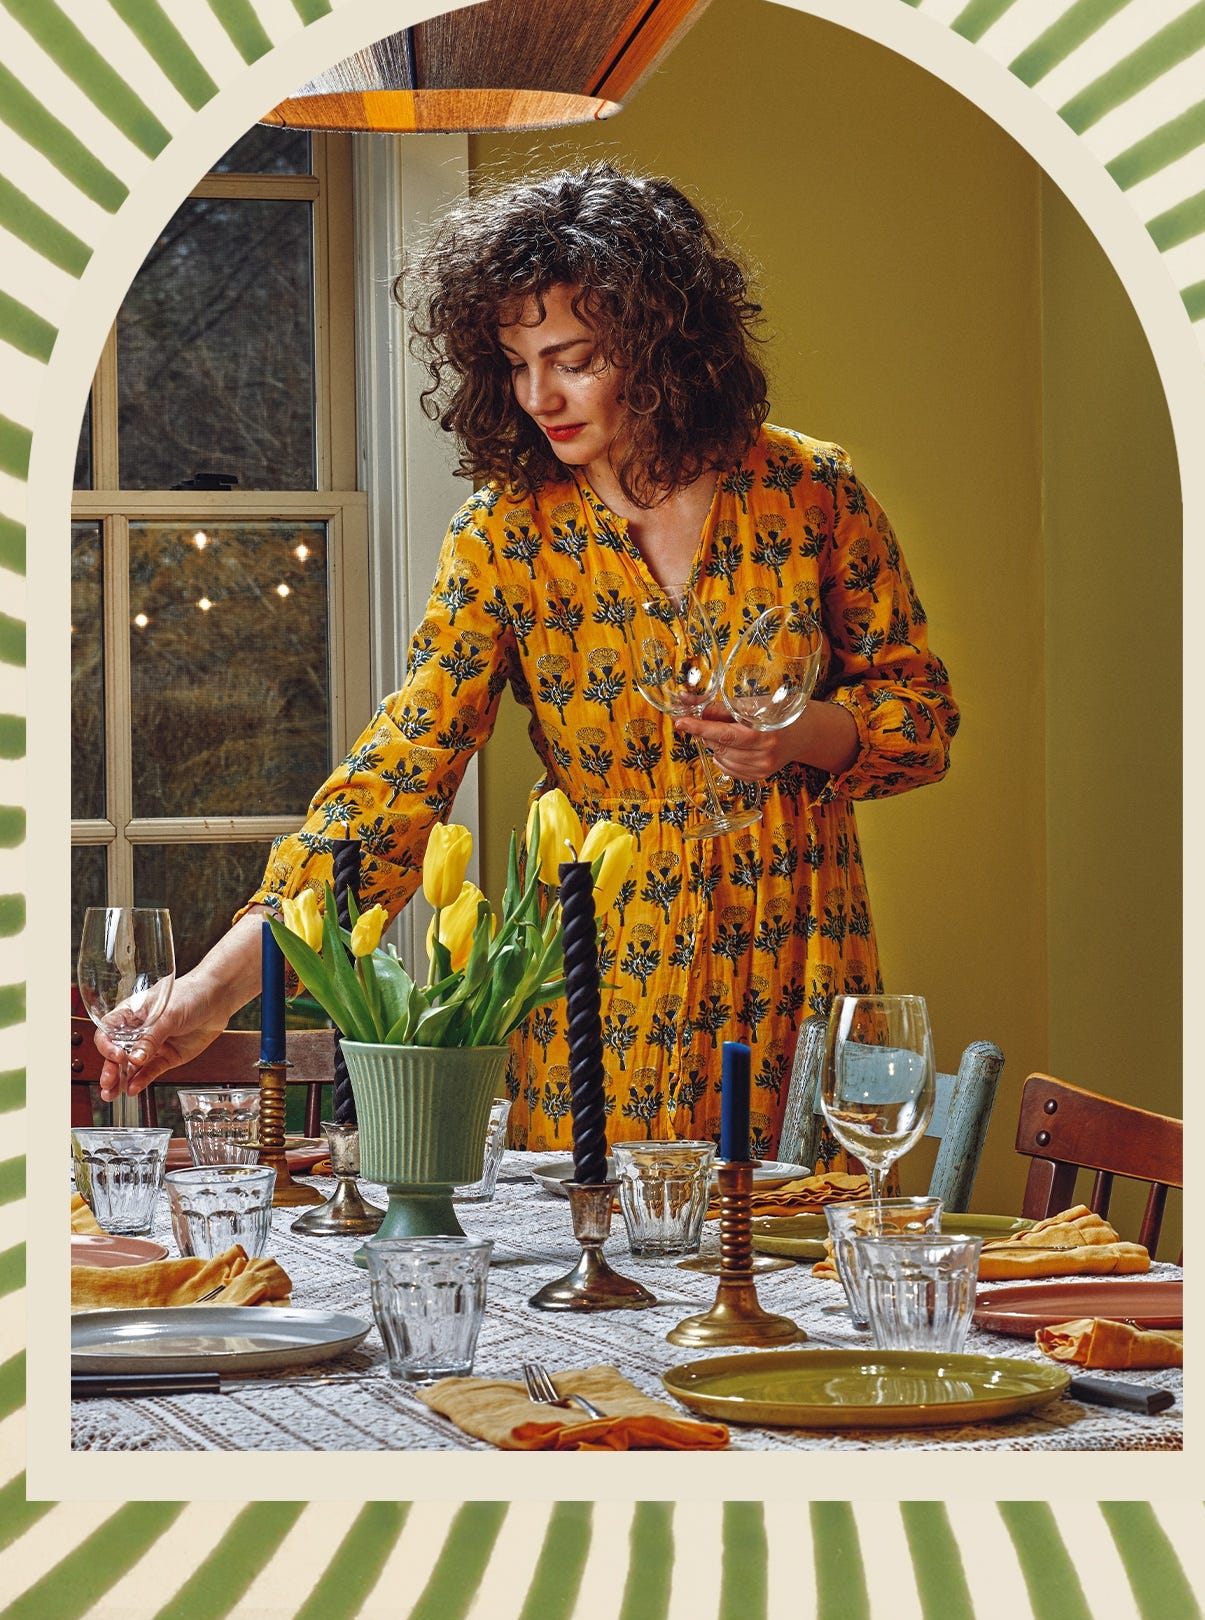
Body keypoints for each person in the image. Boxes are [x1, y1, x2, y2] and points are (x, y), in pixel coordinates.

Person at [98, 162, 959, 1157]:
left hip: (802, 948)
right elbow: (395, 784)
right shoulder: (506, 536)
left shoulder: (813, 491)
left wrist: (800, 735)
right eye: (514, 362)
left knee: (804, 1266)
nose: (538, 393)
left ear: (663, 346)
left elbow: (921, 717)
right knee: (603, 1269)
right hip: (605, 977)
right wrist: (211, 991)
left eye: (574, 357)